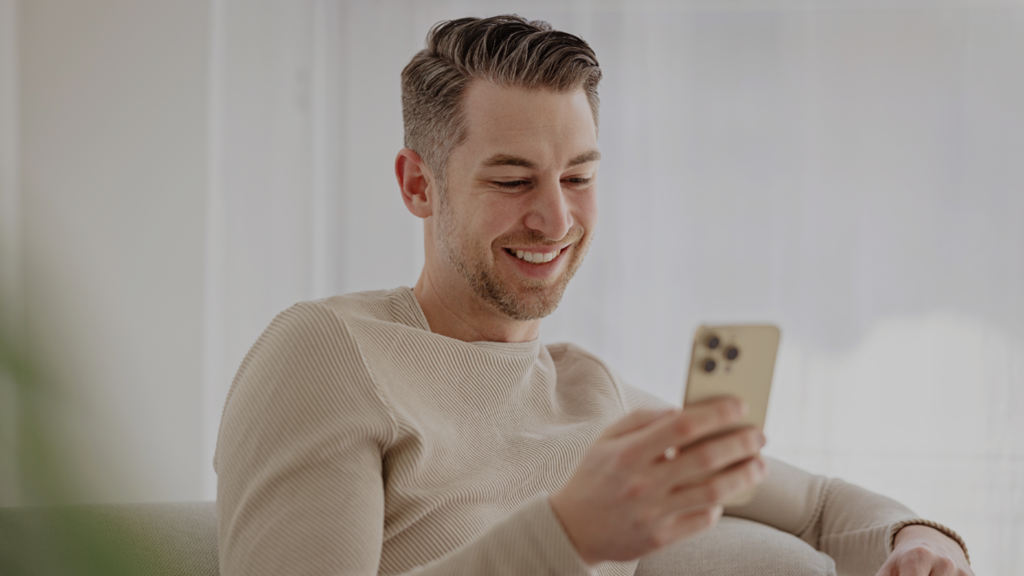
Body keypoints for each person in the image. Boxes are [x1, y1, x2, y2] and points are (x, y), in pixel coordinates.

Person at [215, 15, 973, 576]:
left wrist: (920, 539)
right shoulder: (326, 354)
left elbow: (819, 506)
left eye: (579, 176)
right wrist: (566, 533)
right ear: (419, 184)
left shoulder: (591, 394)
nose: (555, 218)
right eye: (512, 180)